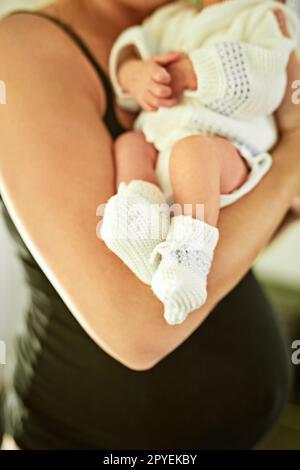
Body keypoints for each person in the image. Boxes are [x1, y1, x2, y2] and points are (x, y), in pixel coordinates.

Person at [0, 0, 300, 450]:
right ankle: (134, 217)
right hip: (78, 437)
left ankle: (167, 239)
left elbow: (237, 245)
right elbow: (139, 332)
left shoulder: (249, 19)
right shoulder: (26, 50)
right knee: (134, 149)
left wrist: (281, 200)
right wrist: (294, 156)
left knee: (189, 163)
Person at [101, 0, 299, 325]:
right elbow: (132, 48)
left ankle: (190, 255)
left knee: (193, 152)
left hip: (227, 151)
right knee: (129, 145)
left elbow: (268, 83)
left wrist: (194, 73)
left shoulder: (262, 17)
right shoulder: (170, 18)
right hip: (162, 144)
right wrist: (133, 74)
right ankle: (139, 220)